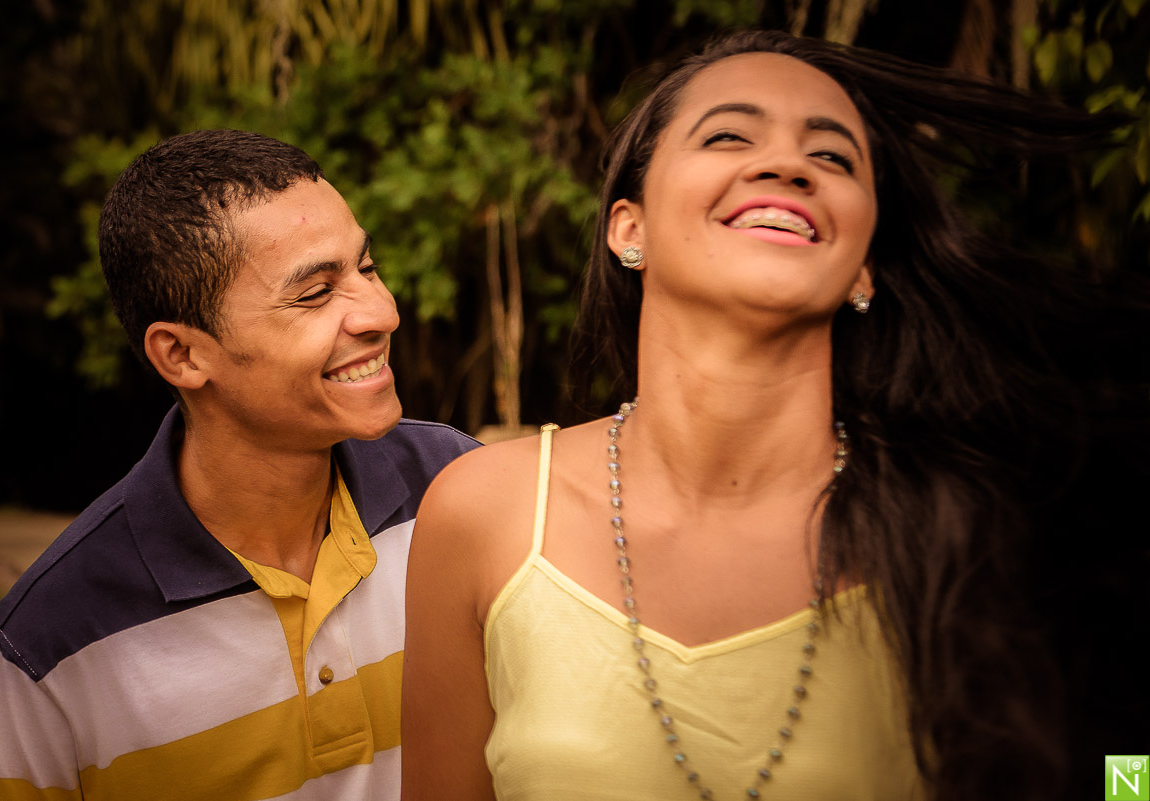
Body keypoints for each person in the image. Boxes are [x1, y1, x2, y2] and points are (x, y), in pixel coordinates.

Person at [401, 30, 1145, 801]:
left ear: (862, 266)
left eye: (833, 157)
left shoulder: (974, 517)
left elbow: (1128, 762)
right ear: (631, 228)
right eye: (727, 134)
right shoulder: (483, 512)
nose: (790, 164)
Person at [0, 129, 477, 801]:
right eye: (315, 293)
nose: (383, 311)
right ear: (181, 355)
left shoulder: (459, 488)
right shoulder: (48, 648)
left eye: (367, 267)